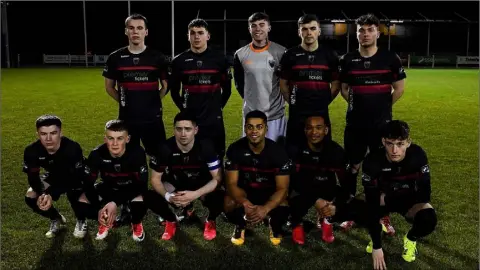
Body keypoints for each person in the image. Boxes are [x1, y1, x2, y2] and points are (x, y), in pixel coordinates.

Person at [338, 13, 406, 232]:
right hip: (355, 125)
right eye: (361, 30)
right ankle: (349, 213)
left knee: (382, 170)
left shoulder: (390, 58)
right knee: (352, 167)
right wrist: (359, 106)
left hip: (381, 126)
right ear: (356, 33)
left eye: (369, 30)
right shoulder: (347, 60)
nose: (365, 34)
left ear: (378, 32)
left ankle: (383, 215)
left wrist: (382, 108)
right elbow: (344, 89)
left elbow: (399, 88)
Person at [362, 120, 436, 269]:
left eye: (400, 144)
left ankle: (410, 238)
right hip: (381, 200)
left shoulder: (418, 155)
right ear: (383, 141)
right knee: (360, 206)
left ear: (408, 142)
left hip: (406, 200)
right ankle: (378, 228)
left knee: (428, 218)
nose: (394, 150)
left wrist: (392, 197)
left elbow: (425, 193)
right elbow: (371, 200)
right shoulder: (372, 160)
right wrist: (377, 246)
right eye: (390, 143)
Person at [145, 110, 224, 241]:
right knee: (150, 196)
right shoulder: (165, 148)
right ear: (174, 130)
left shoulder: (206, 146)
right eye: (179, 129)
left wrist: (195, 194)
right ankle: (171, 220)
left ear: (196, 130)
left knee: (221, 196)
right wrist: (168, 196)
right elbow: (154, 179)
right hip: (176, 184)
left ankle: (210, 220)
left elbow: (218, 177)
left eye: (187, 129)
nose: (183, 134)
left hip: (200, 184)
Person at [102, 13, 169, 158]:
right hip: (127, 119)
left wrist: (153, 101)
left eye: (139, 28)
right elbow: (109, 87)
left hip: (152, 119)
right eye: (131, 28)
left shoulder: (158, 57)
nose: (135, 31)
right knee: (129, 158)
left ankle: (161, 181)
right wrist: (125, 101)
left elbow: (165, 86)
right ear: (126, 31)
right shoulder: (115, 58)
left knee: (160, 157)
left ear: (146, 32)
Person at [224, 110, 290, 246]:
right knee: (228, 203)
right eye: (250, 127)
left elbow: (282, 188)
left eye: (259, 127)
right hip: (246, 192)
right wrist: (246, 204)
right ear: (245, 128)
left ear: (266, 129)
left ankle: (273, 222)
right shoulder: (235, 149)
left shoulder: (278, 152)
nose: (254, 131)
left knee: (284, 204)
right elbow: (231, 184)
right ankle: (240, 225)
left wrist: (265, 208)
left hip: (268, 192)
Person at [169, 18, 232, 160]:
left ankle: (217, 182)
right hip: (191, 119)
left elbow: (227, 90)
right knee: (193, 156)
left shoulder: (219, 59)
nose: (196, 36)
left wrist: (217, 107)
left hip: (213, 119)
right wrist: (184, 110)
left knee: (217, 155)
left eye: (200, 33)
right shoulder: (179, 61)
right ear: (188, 36)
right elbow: (174, 92)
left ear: (207, 36)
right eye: (192, 33)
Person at [287, 114, 353, 245]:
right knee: (288, 194)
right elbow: (293, 182)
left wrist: (335, 206)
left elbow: (346, 184)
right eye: (309, 128)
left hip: (326, 187)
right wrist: (315, 199)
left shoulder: (336, 152)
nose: (314, 132)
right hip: (303, 189)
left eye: (318, 128)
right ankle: (296, 222)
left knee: (347, 200)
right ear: (305, 130)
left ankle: (327, 220)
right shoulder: (295, 150)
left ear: (326, 130)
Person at [279, 14, 341, 147]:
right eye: (304, 29)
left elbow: (336, 84)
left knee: (322, 151)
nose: (309, 33)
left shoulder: (330, 55)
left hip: (321, 112)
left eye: (313, 28)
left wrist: (324, 100)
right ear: (299, 32)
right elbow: (283, 84)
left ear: (319, 31)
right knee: (294, 150)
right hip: (297, 113)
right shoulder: (290, 55)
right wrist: (293, 102)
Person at [23, 115, 89, 239]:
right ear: (37, 134)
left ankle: (81, 220)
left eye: (53, 133)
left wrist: (51, 194)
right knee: (31, 196)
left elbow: (76, 177)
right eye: (43, 134)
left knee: (75, 191)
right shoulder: (31, 151)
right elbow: (33, 178)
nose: (48, 138)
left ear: (61, 132)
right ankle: (55, 217)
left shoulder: (72, 148)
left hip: (74, 176)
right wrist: (42, 194)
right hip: (53, 176)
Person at [83, 120, 148, 242]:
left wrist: (115, 202)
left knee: (141, 199)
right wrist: (98, 210)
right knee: (82, 199)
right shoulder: (96, 154)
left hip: (131, 188)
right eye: (110, 138)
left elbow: (142, 184)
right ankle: (104, 220)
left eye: (120, 138)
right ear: (105, 139)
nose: (115, 143)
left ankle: (136, 222)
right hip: (109, 187)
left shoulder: (137, 153)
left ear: (127, 139)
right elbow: (87, 184)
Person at [233, 12, 287, 143]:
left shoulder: (281, 52)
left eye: (262, 25)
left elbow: (286, 82)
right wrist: (252, 101)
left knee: (276, 155)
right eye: (254, 25)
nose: (258, 29)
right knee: (252, 155)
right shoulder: (240, 54)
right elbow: (239, 84)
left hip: (275, 115)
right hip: (251, 115)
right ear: (249, 29)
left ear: (269, 27)